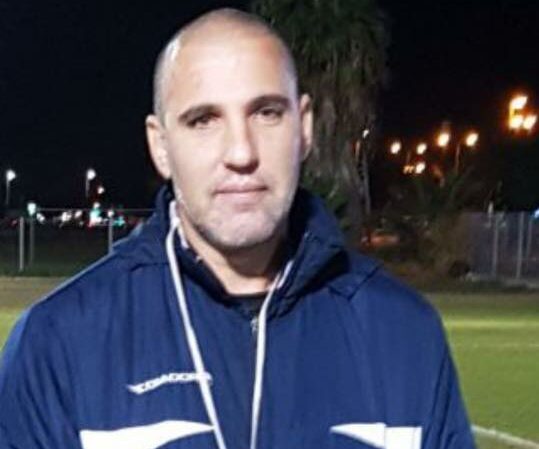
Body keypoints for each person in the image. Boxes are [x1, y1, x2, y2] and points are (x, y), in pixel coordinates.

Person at [0, 8, 476, 449]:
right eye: (203, 120)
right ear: (161, 146)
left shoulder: (404, 333)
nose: (241, 152)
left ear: (304, 128)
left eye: (266, 113)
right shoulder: (56, 343)